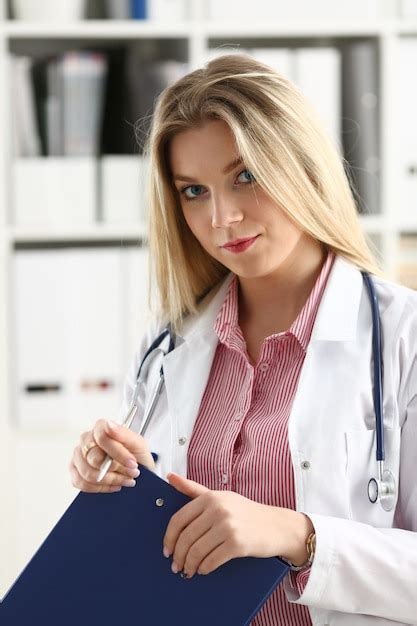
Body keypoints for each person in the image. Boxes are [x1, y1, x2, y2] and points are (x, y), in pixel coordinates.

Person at [69, 54, 417, 625]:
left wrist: (295, 534)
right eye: (193, 191)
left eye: (245, 177)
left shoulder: (402, 339)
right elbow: (165, 551)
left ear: (300, 166)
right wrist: (126, 488)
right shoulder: (170, 345)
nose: (222, 218)